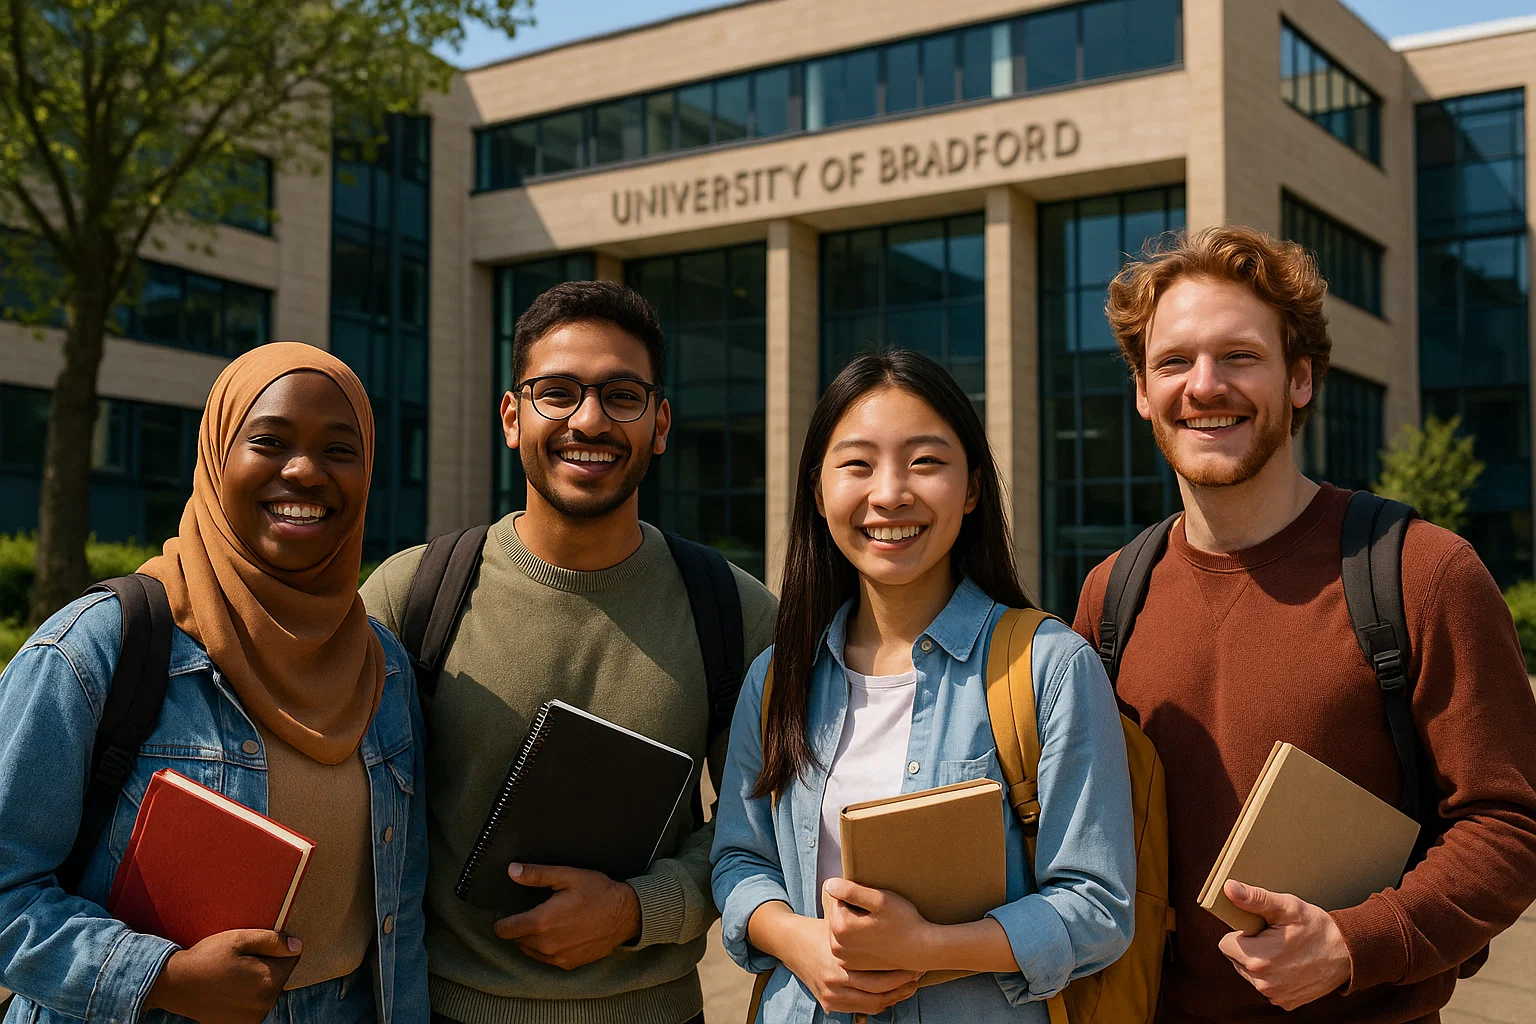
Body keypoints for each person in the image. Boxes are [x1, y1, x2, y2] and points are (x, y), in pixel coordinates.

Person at [1072, 225, 1536, 1022]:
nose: (1205, 385)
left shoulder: (1421, 573)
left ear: (1301, 379)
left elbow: (1510, 824)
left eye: (1241, 356)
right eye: (1175, 361)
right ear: (1143, 391)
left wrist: (1356, 942)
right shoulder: (1110, 594)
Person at [361, 280, 777, 1024]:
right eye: (557, 392)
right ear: (512, 417)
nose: (589, 419)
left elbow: (771, 825)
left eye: (622, 395)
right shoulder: (412, 593)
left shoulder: (734, 610)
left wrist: (637, 909)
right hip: (442, 1010)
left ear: (661, 422)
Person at [0, 343, 429, 1024]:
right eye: (269, 440)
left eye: (339, 450)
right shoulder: (99, 648)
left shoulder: (384, 668)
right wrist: (159, 975)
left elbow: (398, 917)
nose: (304, 470)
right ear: (215, 456)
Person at [710, 350, 1136, 1023]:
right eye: (857, 464)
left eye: (926, 462)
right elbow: (740, 860)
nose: (890, 494)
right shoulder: (777, 678)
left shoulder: (1049, 665)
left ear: (971, 489)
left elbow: (1097, 907)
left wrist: (931, 948)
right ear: (818, 493)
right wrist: (800, 940)